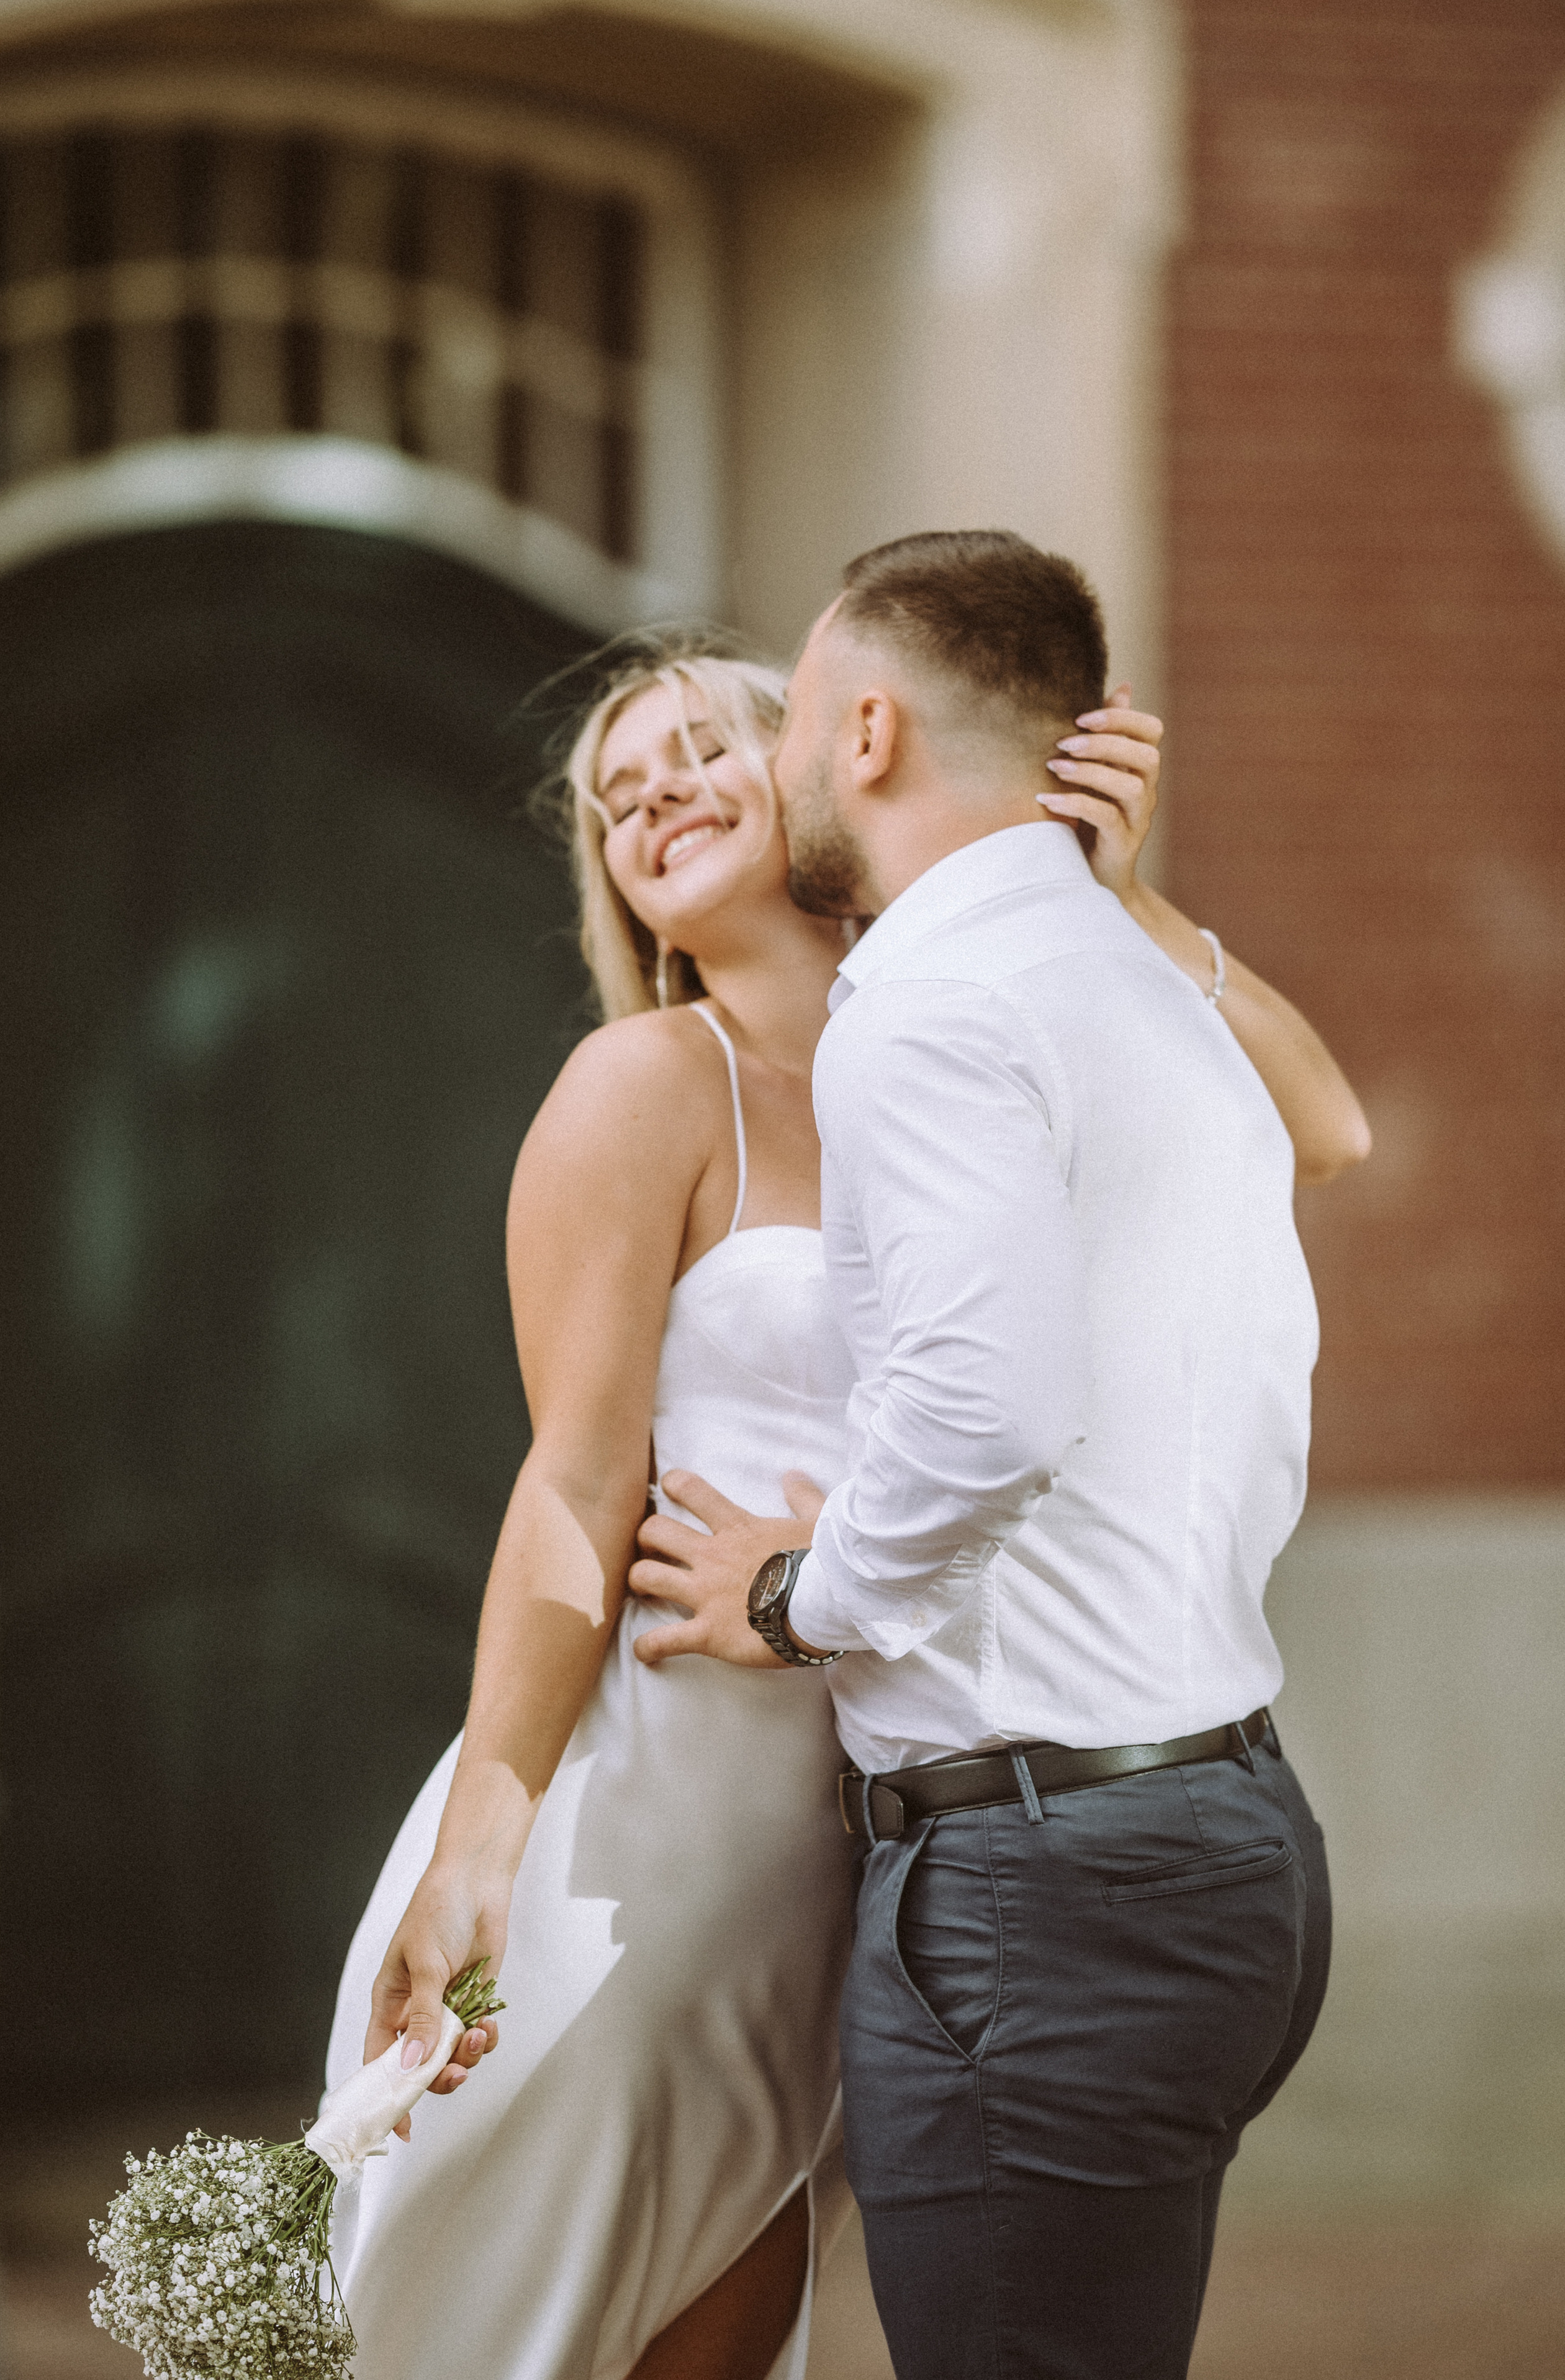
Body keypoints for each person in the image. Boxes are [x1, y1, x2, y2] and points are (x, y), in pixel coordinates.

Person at [323, 616, 1366, 2380]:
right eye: (617, 802)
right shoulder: (642, 1088)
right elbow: (573, 1482)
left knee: (734, 2331)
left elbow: (1321, 1126)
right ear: (624, 890)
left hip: (886, 1834)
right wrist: (481, 1838)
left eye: (698, 752)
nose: (656, 801)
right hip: (659, 1825)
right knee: (535, 2323)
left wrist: (1119, 899)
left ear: (810, 770)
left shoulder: (985, 1021)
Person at [627, 534, 1363, 2380]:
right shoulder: (1146, 998)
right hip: (1219, 1833)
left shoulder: (936, 1005)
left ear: (865, 728)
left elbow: (989, 1411)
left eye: (789, 719)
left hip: (1044, 1892)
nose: (777, 761)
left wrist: (803, 1595)